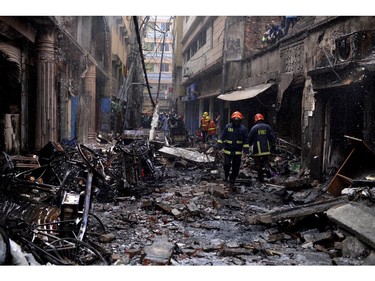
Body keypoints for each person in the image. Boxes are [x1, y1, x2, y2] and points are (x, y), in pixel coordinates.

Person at [215, 111, 249, 191]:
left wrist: (246, 151)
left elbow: (246, 141)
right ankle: (226, 175)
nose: (236, 121)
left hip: (237, 153)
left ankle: (232, 182)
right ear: (232, 120)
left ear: (240, 120)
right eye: (235, 120)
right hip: (228, 151)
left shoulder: (243, 129)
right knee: (226, 165)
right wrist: (218, 145)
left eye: (238, 120)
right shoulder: (228, 127)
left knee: (235, 168)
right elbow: (222, 137)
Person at [248, 113, 276, 182]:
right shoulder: (267, 127)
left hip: (257, 149)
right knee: (266, 161)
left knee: (258, 163)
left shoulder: (254, 128)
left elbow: (250, 138)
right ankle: (270, 174)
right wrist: (273, 146)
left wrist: (249, 145)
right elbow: (271, 137)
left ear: (256, 120)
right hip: (266, 148)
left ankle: (260, 177)